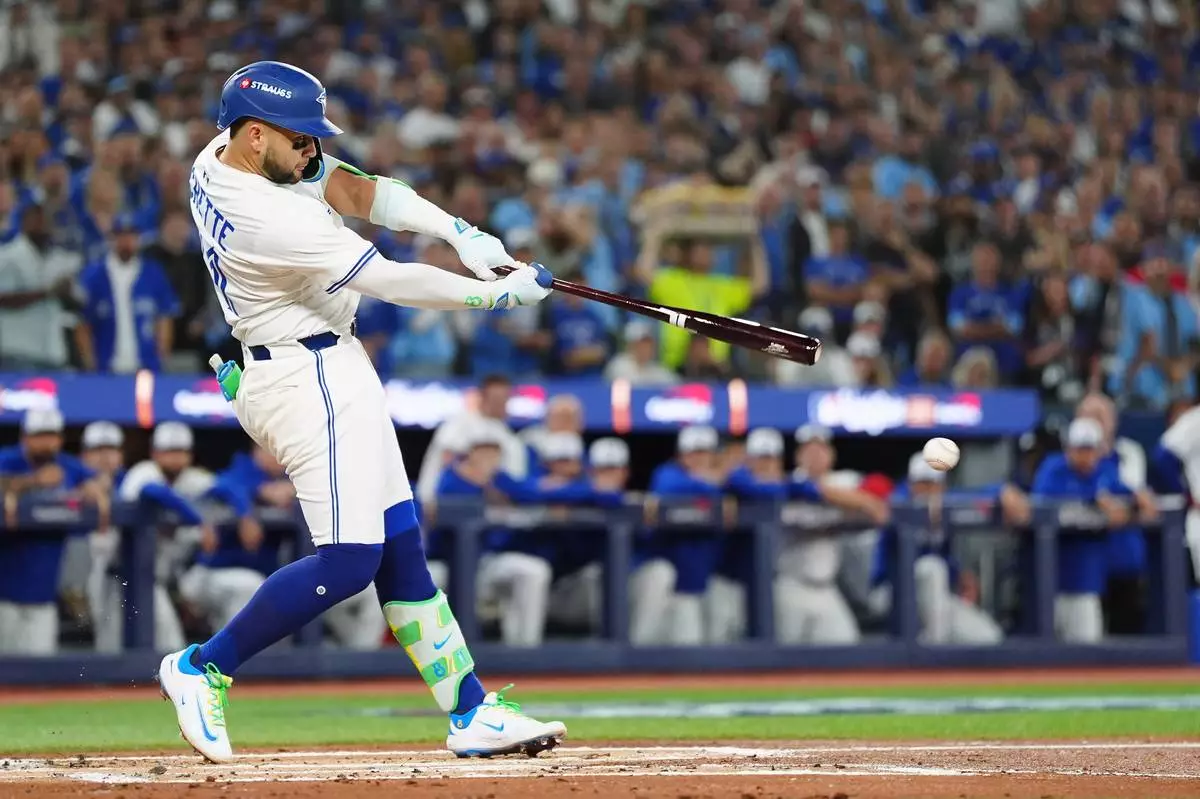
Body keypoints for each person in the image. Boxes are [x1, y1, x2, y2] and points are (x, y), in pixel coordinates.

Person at [157, 61, 564, 764]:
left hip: (320, 362)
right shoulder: (271, 215)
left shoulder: (221, 156)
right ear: (255, 136)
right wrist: (493, 296)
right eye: (300, 138)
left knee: (402, 550)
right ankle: (203, 665)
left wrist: (459, 231)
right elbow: (391, 281)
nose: (313, 150)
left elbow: (356, 188)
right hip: (305, 375)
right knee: (349, 561)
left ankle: (469, 710)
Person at [871, 454, 1005, 644]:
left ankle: (933, 644)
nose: (929, 490)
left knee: (988, 637)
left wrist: (959, 573)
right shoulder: (897, 501)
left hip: (934, 597)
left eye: (934, 484)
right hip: (890, 591)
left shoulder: (945, 504)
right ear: (911, 483)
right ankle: (933, 650)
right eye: (923, 483)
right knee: (932, 568)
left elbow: (976, 495)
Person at [1032, 417, 1135, 643]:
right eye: (1080, 449)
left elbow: (1129, 497)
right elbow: (1041, 505)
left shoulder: (1104, 473)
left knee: (1086, 654)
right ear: (1069, 449)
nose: (1086, 456)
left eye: (1090, 450)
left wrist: (1136, 500)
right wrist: (1093, 500)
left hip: (1085, 583)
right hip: (1048, 582)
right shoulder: (1054, 469)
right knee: (1044, 655)